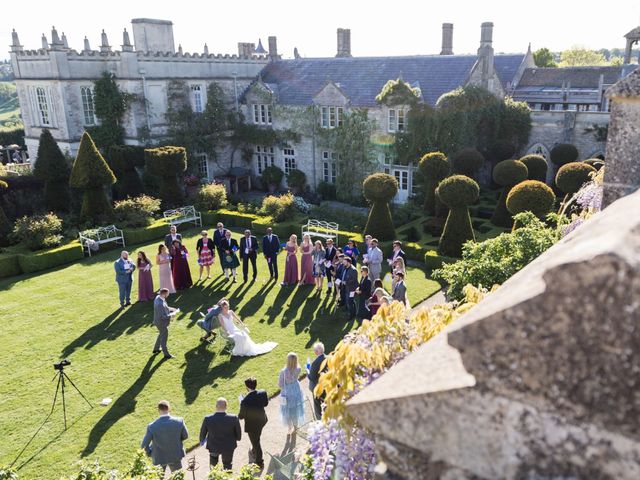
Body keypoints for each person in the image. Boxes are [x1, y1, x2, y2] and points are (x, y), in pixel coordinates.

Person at [141, 400, 189, 474]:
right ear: (169, 408)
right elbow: (185, 436)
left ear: (158, 410)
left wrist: (150, 453)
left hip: (158, 458)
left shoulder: (152, 426)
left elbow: (144, 446)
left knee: (158, 478)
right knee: (177, 477)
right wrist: (176, 440)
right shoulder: (179, 421)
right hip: (175, 455)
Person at [199, 398, 242, 471]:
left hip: (213, 446)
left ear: (216, 406)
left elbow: (202, 434)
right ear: (226, 406)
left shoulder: (208, 419)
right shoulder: (233, 418)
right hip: (228, 447)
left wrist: (202, 440)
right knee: (227, 465)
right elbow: (239, 435)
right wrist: (237, 438)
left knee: (213, 467)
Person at [238, 377, 268, 469]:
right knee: (256, 438)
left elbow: (241, 416)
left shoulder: (245, 401)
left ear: (247, 387)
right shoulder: (263, 392)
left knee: (256, 443)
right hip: (262, 420)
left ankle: (259, 462)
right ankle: (254, 450)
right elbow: (265, 404)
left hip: (252, 426)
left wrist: (241, 403)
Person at [278, 352, 305, 435]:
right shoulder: (298, 368)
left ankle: (290, 427)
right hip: (296, 389)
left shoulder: (283, 372)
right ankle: (296, 426)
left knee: (288, 410)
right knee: (295, 408)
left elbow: (280, 384)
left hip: (287, 392)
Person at [153, 288, 178, 359]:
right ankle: (166, 354)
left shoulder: (158, 297)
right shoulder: (159, 304)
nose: (168, 295)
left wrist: (172, 309)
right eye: (167, 293)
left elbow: (165, 308)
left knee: (161, 333)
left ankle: (156, 349)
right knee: (164, 338)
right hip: (161, 323)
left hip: (157, 321)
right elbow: (163, 316)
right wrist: (172, 314)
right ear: (164, 294)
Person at [307, 343, 327, 420]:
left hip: (318, 388)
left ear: (316, 352)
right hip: (327, 386)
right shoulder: (328, 358)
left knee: (317, 405)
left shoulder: (315, 363)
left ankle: (319, 420)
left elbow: (311, 377)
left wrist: (308, 370)